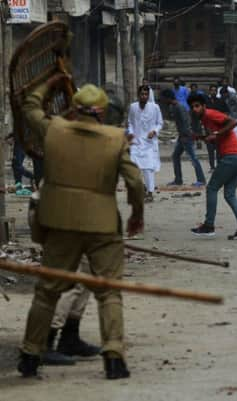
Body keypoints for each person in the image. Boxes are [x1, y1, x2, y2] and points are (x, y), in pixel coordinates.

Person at [18, 78, 145, 379]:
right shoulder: (116, 138)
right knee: (109, 292)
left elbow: (29, 106)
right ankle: (114, 357)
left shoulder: (54, 130)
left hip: (59, 223)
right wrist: (136, 214)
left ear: (74, 110)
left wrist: (49, 81)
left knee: (47, 292)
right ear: (102, 113)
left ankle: (30, 355)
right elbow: (135, 181)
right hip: (102, 225)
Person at [188, 93, 237, 239]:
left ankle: (209, 225)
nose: (195, 109)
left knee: (211, 188)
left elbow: (233, 123)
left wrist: (216, 134)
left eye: (197, 106)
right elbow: (217, 137)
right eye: (192, 107)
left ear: (204, 106)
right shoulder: (205, 120)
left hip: (230, 157)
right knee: (229, 194)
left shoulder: (210, 114)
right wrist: (201, 137)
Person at [161, 89, 206, 187]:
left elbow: (186, 121)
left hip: (186, 137)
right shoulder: (174, 107)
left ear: (168, 98)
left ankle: (201, 180)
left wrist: (186, 135)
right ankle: (178, 180)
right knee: (175, 156)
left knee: (193, 158)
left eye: (164, 99)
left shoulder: (179, 107)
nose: (163, 101)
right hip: (182, 136)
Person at [127, 85, 163, 202]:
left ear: (149, 95)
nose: (144, 96)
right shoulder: (133, 107)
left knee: (148, 169)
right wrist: (131, 133)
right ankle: (141, 188)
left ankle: (150, 192)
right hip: (136, 143)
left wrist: (154, 131)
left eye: (146, 94)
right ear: (138, 95)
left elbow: (160, 123)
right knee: (133, 168)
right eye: (142, 94)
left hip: (149, 143)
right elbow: (130, 123)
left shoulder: (155, 107)